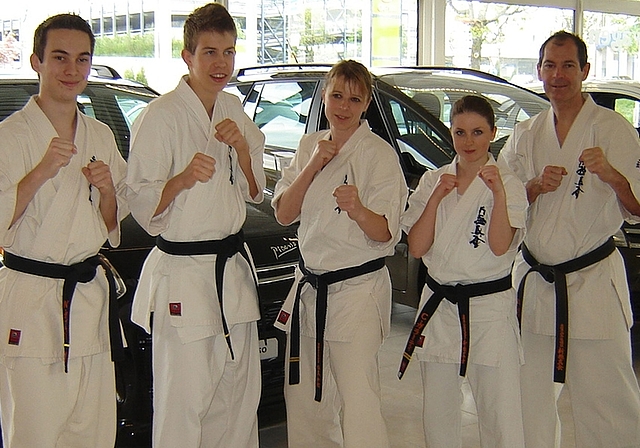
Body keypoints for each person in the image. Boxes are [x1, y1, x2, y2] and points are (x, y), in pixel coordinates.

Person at [126, 3, 265, 447]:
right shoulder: (160, 116)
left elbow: (254, 190)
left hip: (232, 272)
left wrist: (242, 149)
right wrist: (183, 178)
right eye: (209, 52)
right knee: (182, 401)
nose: (220, 63)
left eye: (228, 51)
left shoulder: (233, 108)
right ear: (187, 56)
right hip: (184, 275)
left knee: (238, 396)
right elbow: (143, 206)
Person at [499, 30, 640, 447]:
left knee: (607, 396)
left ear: (584, 71)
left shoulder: (612, 129)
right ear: (539, 71)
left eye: (567, 66)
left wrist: (611, 175)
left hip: (592, 280)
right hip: (537, 282)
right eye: (549, 65)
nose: (557, 75)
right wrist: (533, 187)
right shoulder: (526, 133)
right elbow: (502, 202)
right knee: (529, 395)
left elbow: (636, 207)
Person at [0, 13, 127, 447]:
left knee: (90, 428)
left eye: (82, 59)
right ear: (36, 62)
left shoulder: (100, 133)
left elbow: (113, 224)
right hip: (31, 297)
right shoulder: (11, 136)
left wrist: (108, 190)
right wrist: (39, 173)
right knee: (35, 428)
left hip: (87, 295)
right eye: (60, 58)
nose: (72, 70)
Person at [272, 59, 407, 448]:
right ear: (324, 96)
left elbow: (386, 235)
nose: (343, 107)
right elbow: (284, 213)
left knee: (358, 398)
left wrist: (359, 209)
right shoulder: (307, 146)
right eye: (336, 96)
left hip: (356, 291)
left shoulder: (378, 155)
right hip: (311, 287)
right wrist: (314, 164)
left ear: (366, 104)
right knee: (303, 400)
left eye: (354, 99)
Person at [398, 95, 527, 447]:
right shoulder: (433, 180)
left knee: (499, 411)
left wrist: (498, 193)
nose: (468, 142)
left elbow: (501, 246)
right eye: (460, 132)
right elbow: (417, 248)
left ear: (493, 134)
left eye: (477, 132)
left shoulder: (509, 183)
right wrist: (437, 198)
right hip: (439, 306)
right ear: (451, 134)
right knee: (437, 411)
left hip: (489, 307)